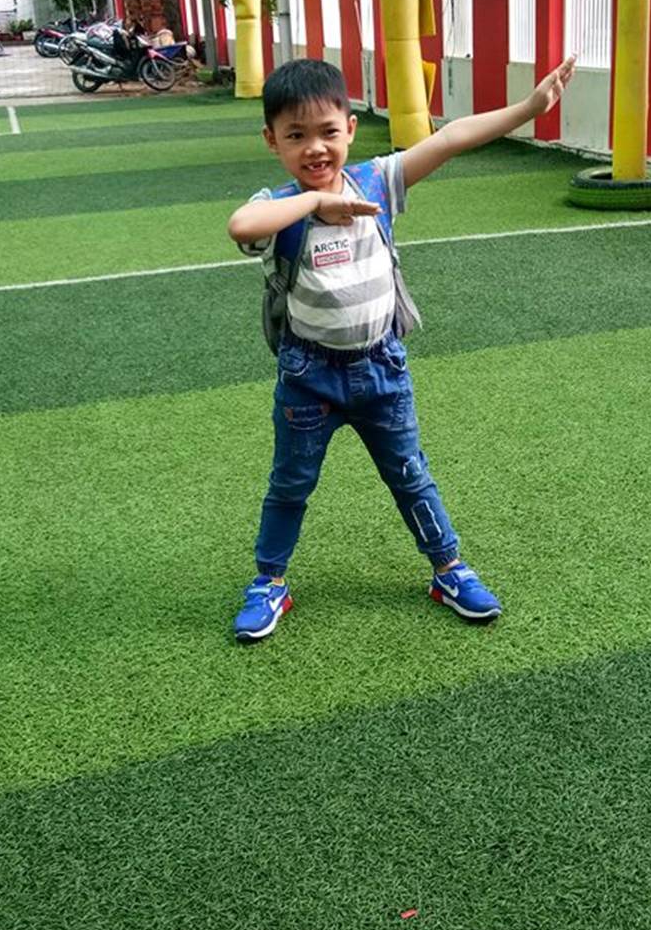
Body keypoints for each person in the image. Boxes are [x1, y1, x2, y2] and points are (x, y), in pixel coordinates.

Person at [227, 55, 576, 641]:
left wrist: (528, 108)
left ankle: (448, 569)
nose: (315, 148)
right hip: (308, 378)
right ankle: (269, 581)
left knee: (411, 476)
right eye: (296, 136)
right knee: (290, 484)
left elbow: (451, 138)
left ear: (350, 129)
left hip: (381, 370)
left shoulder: (376, 182)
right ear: (272, 140)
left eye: (328, 132)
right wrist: (314, 203)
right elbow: (241, 225)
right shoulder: (281, 207)